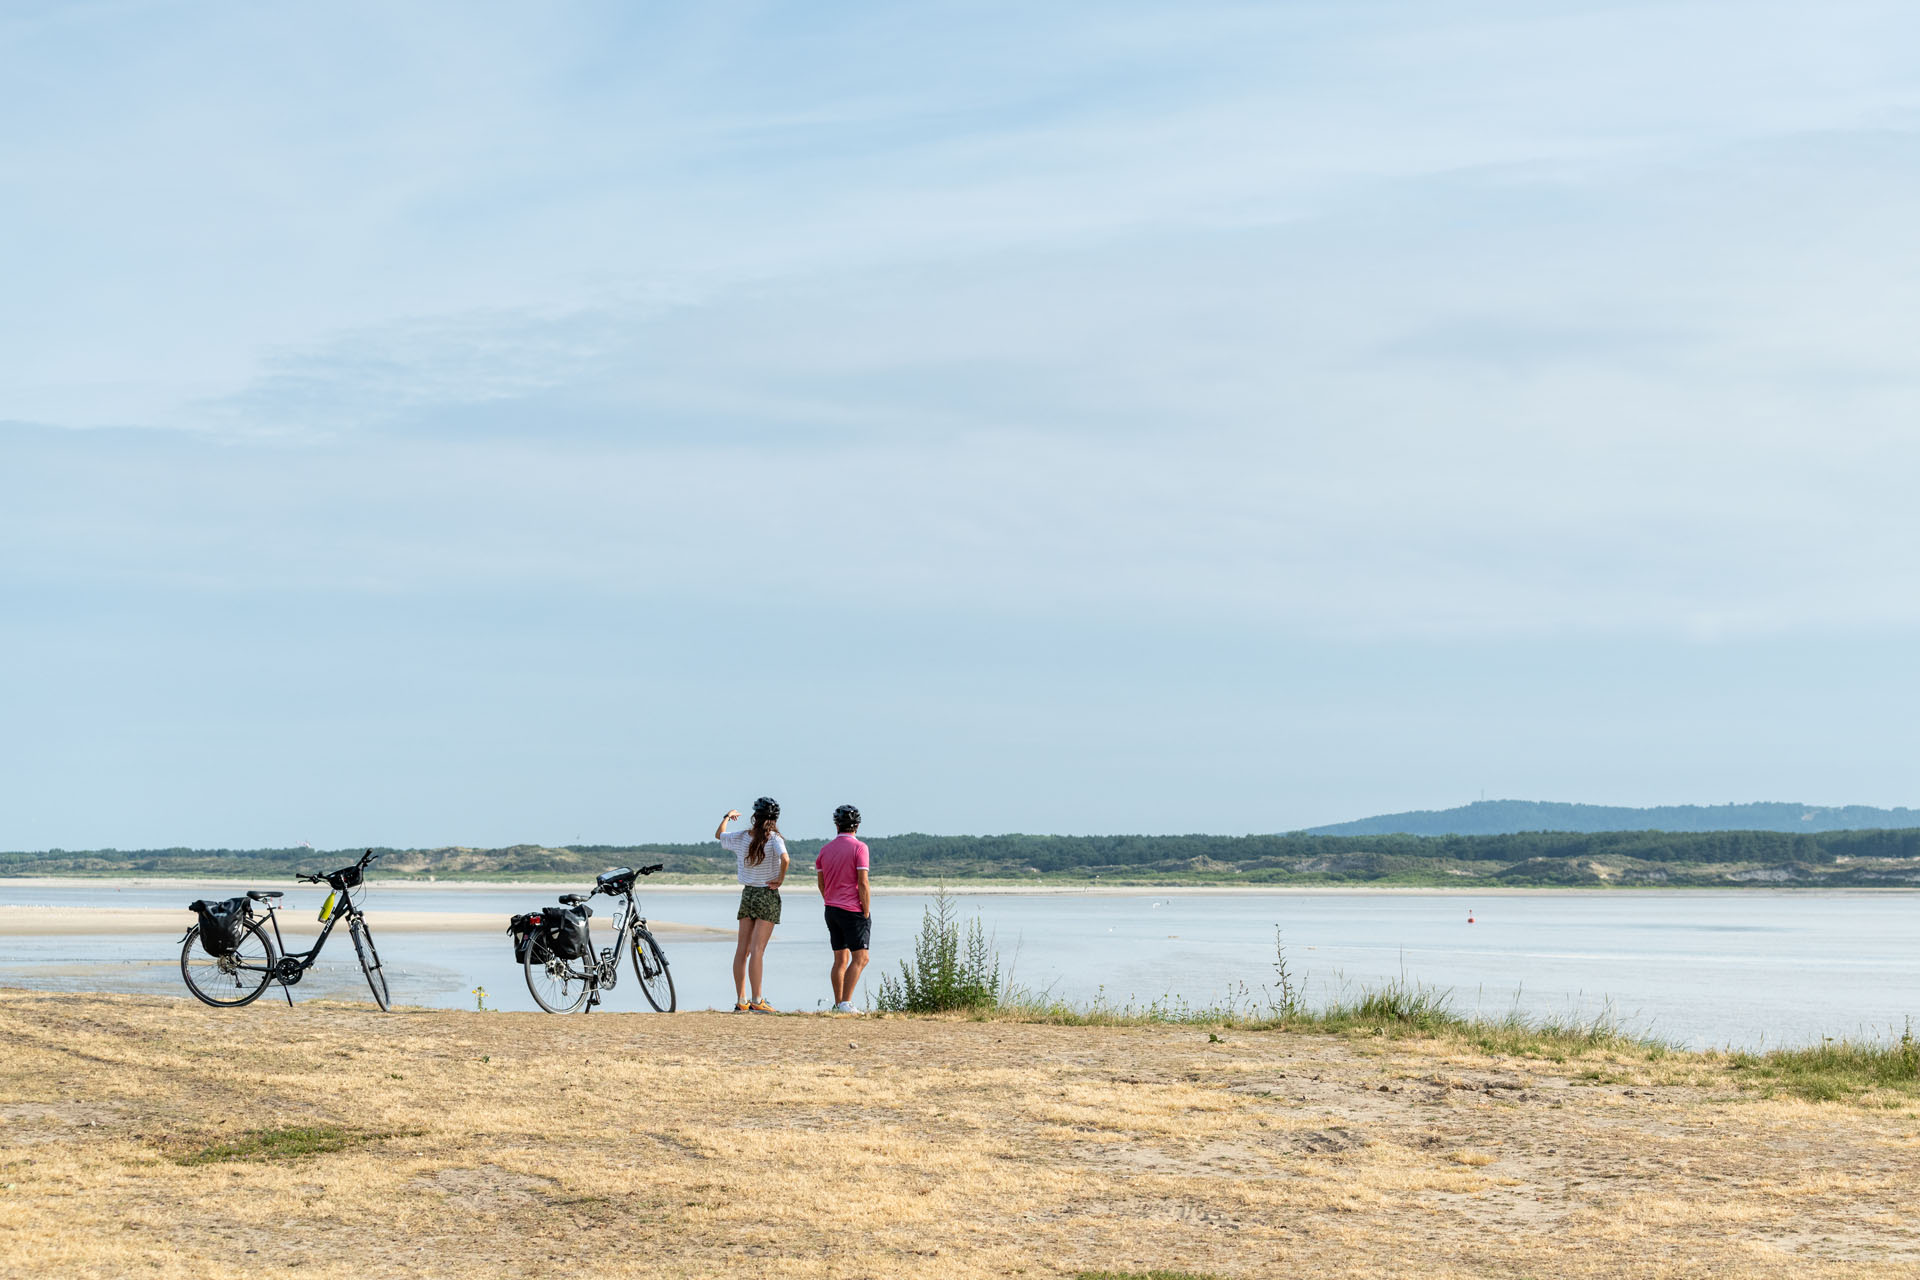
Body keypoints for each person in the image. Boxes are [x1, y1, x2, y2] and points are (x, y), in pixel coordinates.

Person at [716, 797, 789, 1013]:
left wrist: (727, 817)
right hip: (767, 893)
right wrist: (781, 879)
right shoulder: (774, 838)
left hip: (748, 894)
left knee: (743, 949)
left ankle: (741, 999)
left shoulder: (741, 837)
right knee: (758, 950)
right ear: (774, 818)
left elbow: (719, 834)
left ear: (754, 817)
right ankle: (758, 1000)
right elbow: (785, 859)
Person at [814, 803, 871, 1014]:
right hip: (852, 910)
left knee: (840, 959)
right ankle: (846, 1003)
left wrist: (829, 899)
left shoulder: (825, 850)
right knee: (861, 958)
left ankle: (839, 1004)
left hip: (831, 909)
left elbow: (821, 883)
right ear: (856, 826)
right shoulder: (860, 848)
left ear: (837, 825)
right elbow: (863, 882)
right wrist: (865, 910)